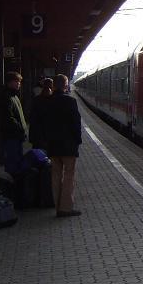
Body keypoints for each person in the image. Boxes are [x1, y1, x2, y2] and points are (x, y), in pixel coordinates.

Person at [44, 74, 83, 218]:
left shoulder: (47, 102)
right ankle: (66, 208)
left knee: (55, 175)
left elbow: (43, 124)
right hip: (68, 146)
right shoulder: (70, 101)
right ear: (66, 85)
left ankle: (57, 206)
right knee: (69, 176)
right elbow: (76, 124)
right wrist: (77, 141)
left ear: (54, 85)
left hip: (53, 145)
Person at [0, 71, 28, 173]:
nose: (19, 84)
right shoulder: (7, 97)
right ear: (9, 82)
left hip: (16, 136)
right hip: (11, 136)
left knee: (17, 161)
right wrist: (20, 128)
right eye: (17, 81)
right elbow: (8, 118)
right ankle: (12, 183)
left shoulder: (14, 96)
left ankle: (16, 182)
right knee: (13, 162)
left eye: (19, 82)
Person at [29, 77, 53, 150]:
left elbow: (32, 118)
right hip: (49, 135)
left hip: (37, 135)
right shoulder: (53, 100)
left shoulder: (36, 99)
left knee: (38, 156)